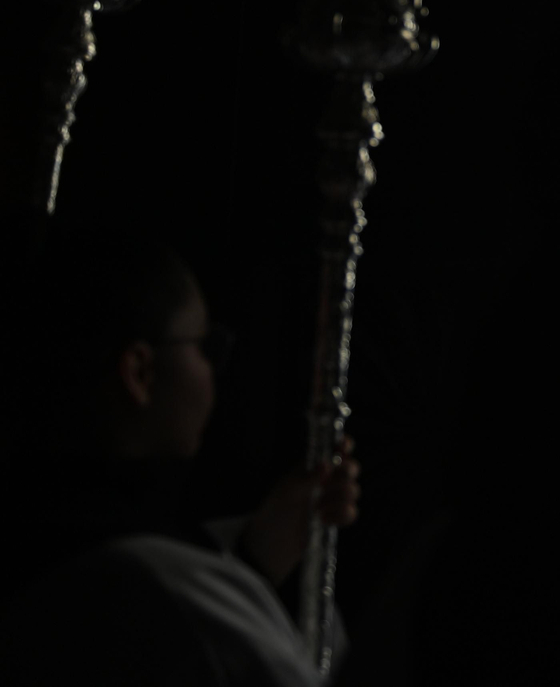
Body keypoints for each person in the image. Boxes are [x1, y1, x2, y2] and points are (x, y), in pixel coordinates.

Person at [0, 224, 361, 686]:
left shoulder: (37, 538)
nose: (214, 373)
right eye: (206, 346)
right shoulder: (166, 592)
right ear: (140, 372)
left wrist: (260, 556)